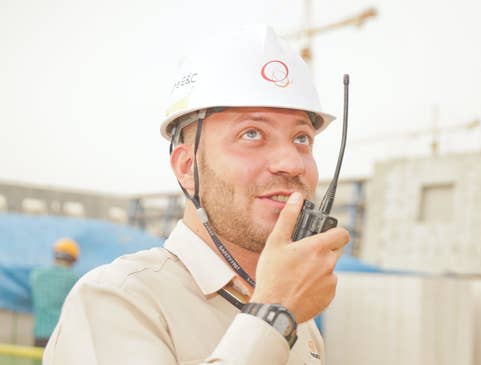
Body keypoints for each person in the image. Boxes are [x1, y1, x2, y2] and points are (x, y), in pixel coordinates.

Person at [44, 24, 350, 364]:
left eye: (302, 138)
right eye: (252, 133)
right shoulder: (117, 300)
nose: (291, 163)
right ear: (187, 168)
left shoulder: (303, 324)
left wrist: (281, 312)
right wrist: (274, 317)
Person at [29, 238, 79, 347]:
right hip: (61, 335)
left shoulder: (37, 275)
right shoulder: (73, 279)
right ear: (72, 259)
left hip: (40, 334)